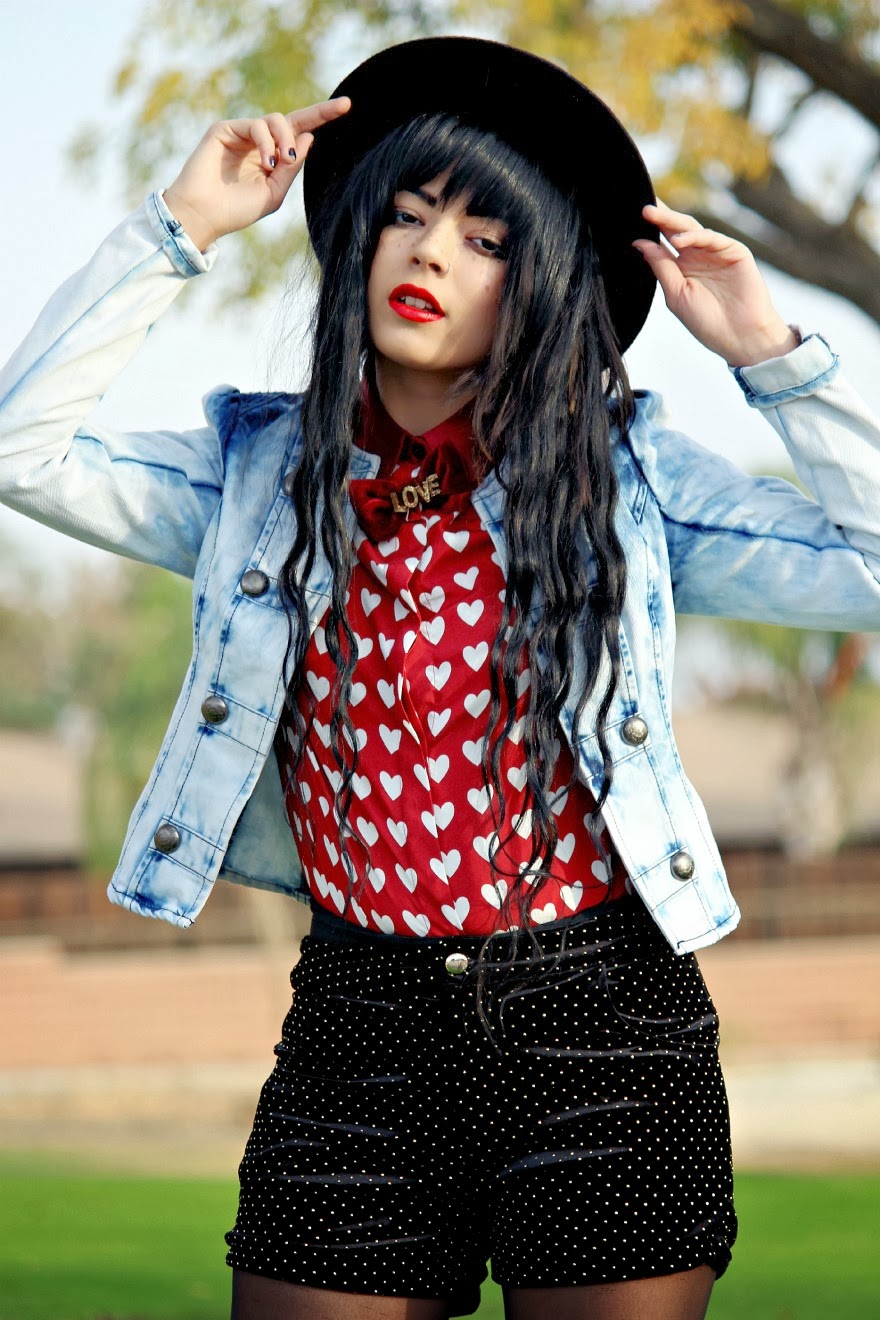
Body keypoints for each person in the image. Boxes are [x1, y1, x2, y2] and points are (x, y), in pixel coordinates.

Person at [2, 32, 879, 1320]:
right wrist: (180, 225)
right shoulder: (256, 476)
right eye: (406, 217)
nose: (427, 255)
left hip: (603, 1026)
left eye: (485, 240)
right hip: (358, 1024)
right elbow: (22, 452)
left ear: (545, 287)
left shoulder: (623, 480)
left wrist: (772, 353)